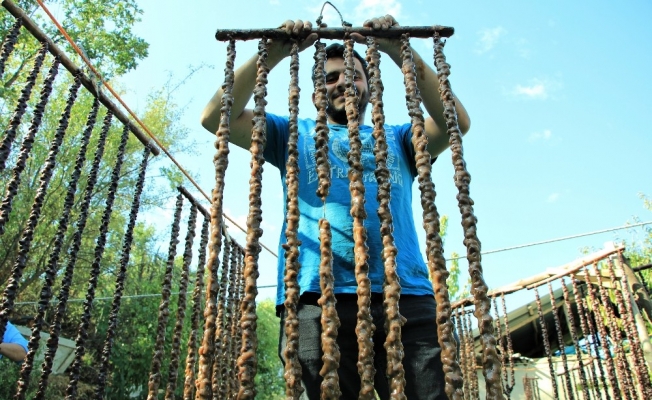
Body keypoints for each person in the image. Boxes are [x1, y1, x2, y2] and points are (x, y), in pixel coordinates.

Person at [201, 15, 470, 400]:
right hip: (313, 301)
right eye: (330, 78)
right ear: (315, 96)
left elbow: (454, 122)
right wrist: (270, 55)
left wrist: (400, 51)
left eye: (354, 75)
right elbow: (215, 117)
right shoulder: (290, 134)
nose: (344, 81)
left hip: (408, 298)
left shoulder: (400, 139)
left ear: (370, 87)